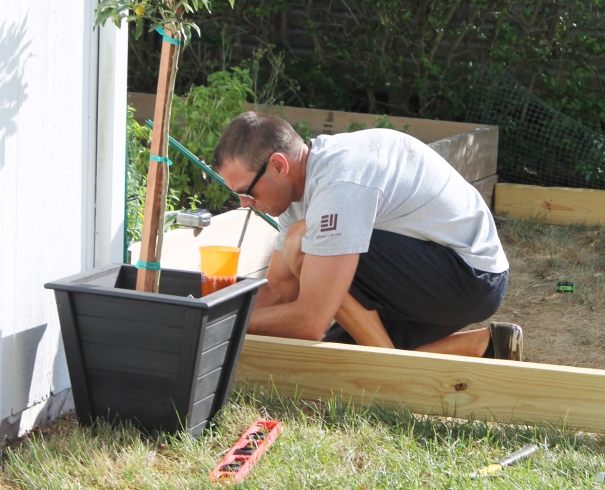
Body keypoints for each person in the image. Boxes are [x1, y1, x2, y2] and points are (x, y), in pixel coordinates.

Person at [214, 111, 522, 359]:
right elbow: (280, 290)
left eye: (246, 191)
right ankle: (486, 346)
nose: (244, 203)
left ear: (279, 166)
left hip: (469, 276)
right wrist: (208, 310)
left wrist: (217, 325)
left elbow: (309, 322)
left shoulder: (340, 181)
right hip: (427, 270)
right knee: (336, 362)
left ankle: (388, 369)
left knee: (301, 242)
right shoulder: (298, 190)